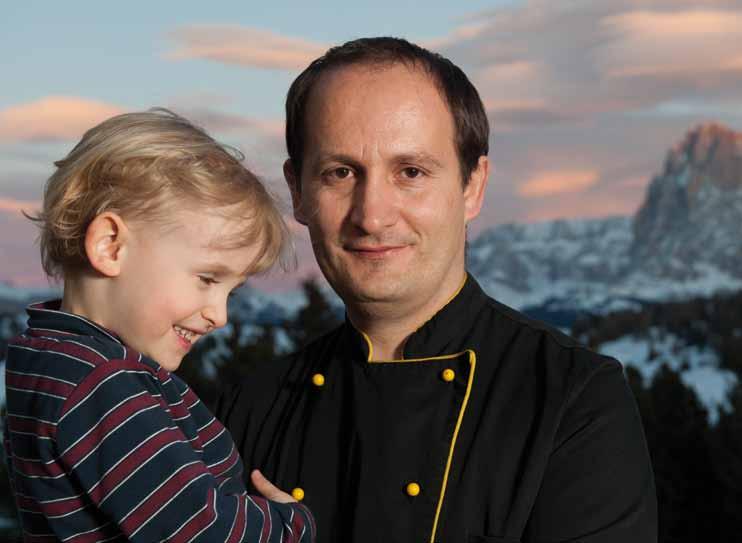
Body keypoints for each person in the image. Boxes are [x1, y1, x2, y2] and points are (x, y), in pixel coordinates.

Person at [217, 37, 657, 542]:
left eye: (410, 172)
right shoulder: (248, 409)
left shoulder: (574, 401)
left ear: (473, 186)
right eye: (340, 173)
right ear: (298, 191)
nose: (372, 216)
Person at [2, 110, 315, 542]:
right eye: (207, 279)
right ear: (111, 246)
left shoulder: (52, 357)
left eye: (231, 292)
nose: (220, 315)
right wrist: (291, 525)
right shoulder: (102, 385)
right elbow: (201, 532)